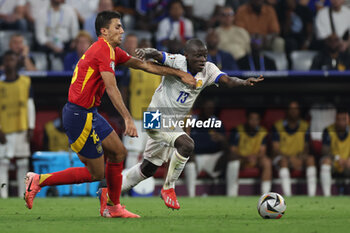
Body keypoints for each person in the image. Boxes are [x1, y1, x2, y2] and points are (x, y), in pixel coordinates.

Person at [24, 11, 196, 218]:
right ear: (104, 31)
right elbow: (112, 87)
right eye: (117, 27)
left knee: (119, 153)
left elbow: (143, 65)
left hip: (90, 113)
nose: (122, 30)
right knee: (95, 173)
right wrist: (127, 118)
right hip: (78, 115)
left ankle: (113, 206)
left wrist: (179, 73)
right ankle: (39, 180)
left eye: (122, 26)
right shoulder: (102, 50)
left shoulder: (112, 50)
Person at [119, 39, 263, 210]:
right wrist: (147, 52)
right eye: (197, 56)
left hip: (172, 123)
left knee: (148, 169)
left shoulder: (209, 69)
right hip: (154, 116)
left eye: (204, 55)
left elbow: (227, 80)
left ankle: (109, 190)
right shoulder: (177, 61)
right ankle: (168, 188)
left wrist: (244, 82)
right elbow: (158, 55)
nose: (202, 59)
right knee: (187, 144)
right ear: (186, 56)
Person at [119, 34, 162, 169]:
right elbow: (124, 90)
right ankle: (127, 185)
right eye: (143, 47)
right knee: (133, 151)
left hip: (153, 113)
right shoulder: (131, 66)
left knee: (149, 152)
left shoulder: (158, 68)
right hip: (135, 113)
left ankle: (144, 187)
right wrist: (125, 113)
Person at [0, 50, 35, 198]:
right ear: (3, 64)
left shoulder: (25, 82)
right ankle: (4, 196)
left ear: (17, 62)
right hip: (4, 130)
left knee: (22, 163)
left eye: (12, 60)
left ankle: (23, 195)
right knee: (3, 163)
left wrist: (31, 127)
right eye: (7, 60)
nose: (10, 63)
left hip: (22, 127)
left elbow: (30, 105)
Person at [272, 101, 316, 197]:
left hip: (299, 157)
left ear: (299, 111)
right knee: (283, 161)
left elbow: (306, 147)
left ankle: (312, 196)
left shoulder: (305, 126)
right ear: (287, 111)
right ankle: (288, 196)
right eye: (291, 109)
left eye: (295, 109)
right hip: (282, 157)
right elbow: (275, 149)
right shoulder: (278, 126)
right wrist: (290, 158)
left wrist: (300, 157)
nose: (293, 111)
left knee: (310, 159)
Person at [185, 98, 227, 197]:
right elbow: (184, 140)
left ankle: (232, 195)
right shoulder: (191, 121)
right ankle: (191, 196)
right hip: (196, 157)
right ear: (201, 108)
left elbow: (226, 144)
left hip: (213, 157)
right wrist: (191, 153)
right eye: (207, 107)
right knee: (189, 160)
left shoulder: (216, 122)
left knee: (232, 157)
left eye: (211, 108)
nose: (209, 110)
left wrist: (221, 138)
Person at [228, 109, 271, 196]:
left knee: (267, 162)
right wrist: (245, 158)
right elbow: (232, 151)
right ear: (247, 119)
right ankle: (232, 194)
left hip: (256, 159)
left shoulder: (263, 132)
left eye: (256, 119)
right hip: (241, 159)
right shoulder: (237, 131)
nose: (254, 122)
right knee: (234, 161)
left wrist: (255, 157)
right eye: (251, 119)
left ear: (259, 121)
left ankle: (265, 195)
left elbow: (262, 151)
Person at [320, 109, 350, 196]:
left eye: (343, 119)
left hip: (347, 163)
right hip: (334, 162)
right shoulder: (328, 130)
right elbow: (324, 151)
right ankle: (327, 196)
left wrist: (347, 160)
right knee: (325, 161)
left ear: (348, 120)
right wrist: (336, 158)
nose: (341, 122)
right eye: (338, 119)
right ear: (335, 120)